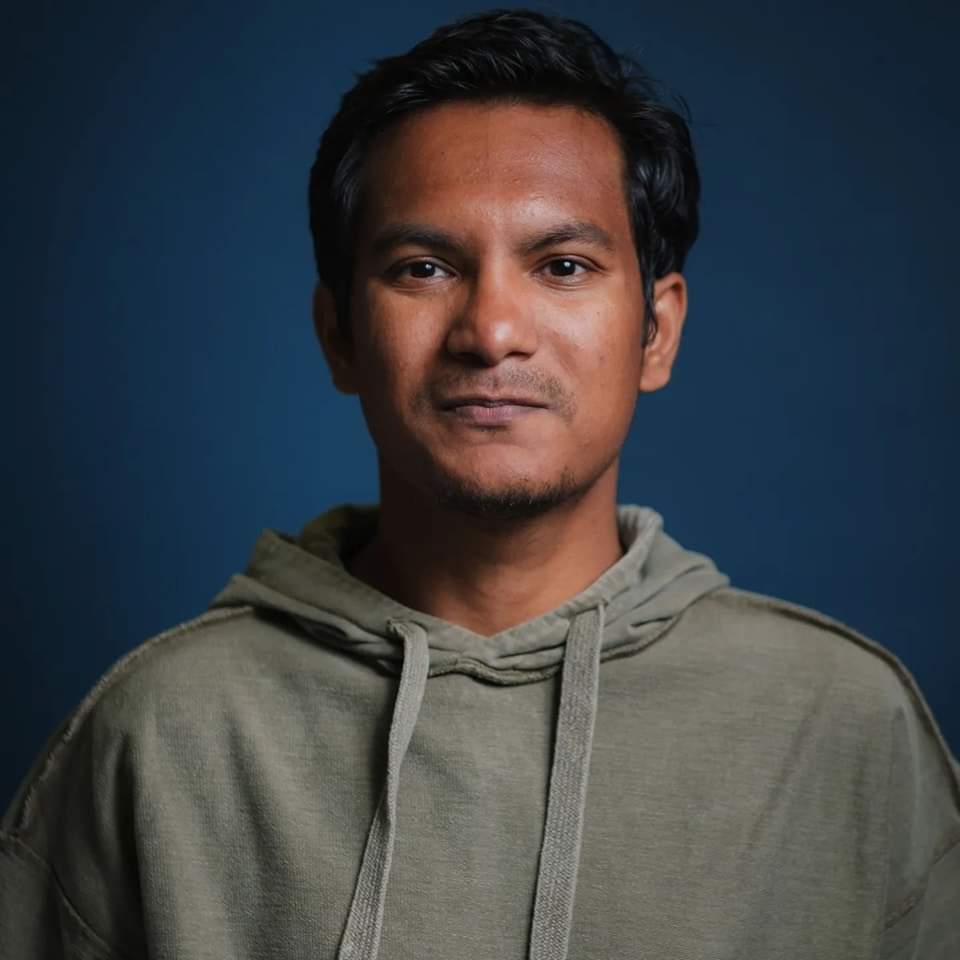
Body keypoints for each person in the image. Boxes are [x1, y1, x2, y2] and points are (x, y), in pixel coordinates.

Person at [2, 7, 958, 958]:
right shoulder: (161, 730)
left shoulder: (843, 725)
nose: (492, 330)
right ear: (338, 334)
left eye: (563, 265)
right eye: (424, 267)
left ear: (656, 331)